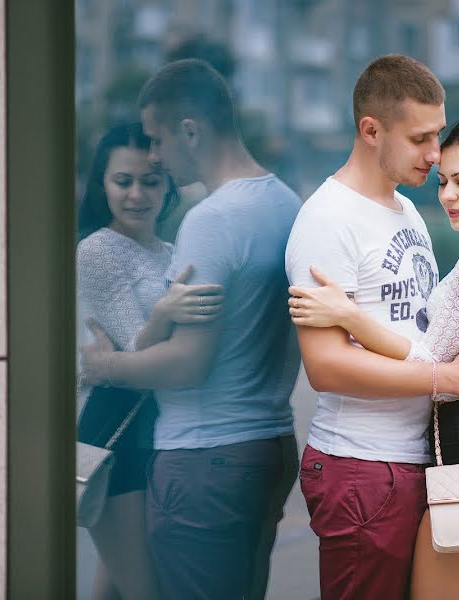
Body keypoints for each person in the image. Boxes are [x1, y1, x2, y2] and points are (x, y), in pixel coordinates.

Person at [284, 55, 459, 600]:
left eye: (439, 138)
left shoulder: (408, 213)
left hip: (434, 459)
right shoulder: (327, 221)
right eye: (421, 139)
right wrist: (455, 382)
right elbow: (326, 367)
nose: (435, 155)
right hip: (362, 466)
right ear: (371, 130)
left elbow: (451, 339)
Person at [80, 59, 302, 600]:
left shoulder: (210, 221)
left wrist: (102, 365)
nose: (153, 156)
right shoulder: (286, 202)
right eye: (125, 176)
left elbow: (187, 362)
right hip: (263, 443)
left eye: (156, 143)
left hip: (206, 458)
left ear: (190, 131)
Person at [76, 122, 224, 600]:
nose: (137, 194)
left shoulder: (172, 251)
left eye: (151, 181)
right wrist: (164, 313)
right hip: (115, 430)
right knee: (146, 589)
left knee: (115, 588)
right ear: (102, 183)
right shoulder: (96, 250)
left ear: (168, 187)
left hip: (157, 432)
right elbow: (139, 352)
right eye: (123, 181)